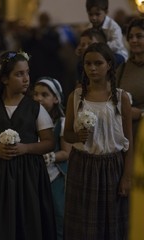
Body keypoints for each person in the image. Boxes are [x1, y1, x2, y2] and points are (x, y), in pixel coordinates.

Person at [0, 51, 56, 240]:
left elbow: (49, 142)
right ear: (5, 79)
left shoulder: (35, 108)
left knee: (27, 223)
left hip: (28, 177)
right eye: (19, 74)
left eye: (27, 73)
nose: (26, 79)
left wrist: (26, 148)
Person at [63, 42, 133, 240]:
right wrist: (77, 136)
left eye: (98, 63)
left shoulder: (121, 98)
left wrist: (126, 177)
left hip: (112, 166)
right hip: (83, 164)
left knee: (111, 224)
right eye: (88, 64)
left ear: (109, 65)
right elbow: (67, 134)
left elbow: (128, 141)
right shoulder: (76, 96)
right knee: (82, 226)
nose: (92, 68)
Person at [33, 77, 71, 240]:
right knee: (36, 215)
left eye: (44, 94)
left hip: (55, 176)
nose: (38, 98)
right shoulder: (30, 121)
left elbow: (66, 152)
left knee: (57, 214)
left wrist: (48, 157)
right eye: (35, 94)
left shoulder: (61, 123)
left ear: (56, 99)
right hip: (33, 176)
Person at [116, 17, 144, 143]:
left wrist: (141, 113)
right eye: (131, 37)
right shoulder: (123, 68)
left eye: (139, 36)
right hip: (127, 134)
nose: (134, 40)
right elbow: (112, 96)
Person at [85, 0, 128, 67]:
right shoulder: (89, 27)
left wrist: (101, 47)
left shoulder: (113, 27)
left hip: (117, 54)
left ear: (106, 12)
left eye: (97, 14)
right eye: (90, 14)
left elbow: (117, 44)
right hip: (99, 55)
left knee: (111, 61)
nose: (93, 18)